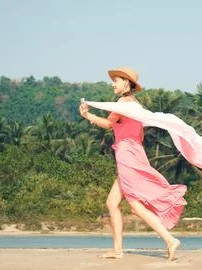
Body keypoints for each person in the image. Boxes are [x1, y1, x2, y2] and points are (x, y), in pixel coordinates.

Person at [79, 67, 186, 261]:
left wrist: (87, 116)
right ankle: (118, 250)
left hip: (127, 155)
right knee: (112, 203)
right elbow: (140, 134)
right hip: (134, 152)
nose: (113, 83)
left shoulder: (123, 103)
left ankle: (170, 240)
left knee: (135, 207)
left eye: (116, 80)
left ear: (126, 83)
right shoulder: (135, 105)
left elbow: (108, 124)